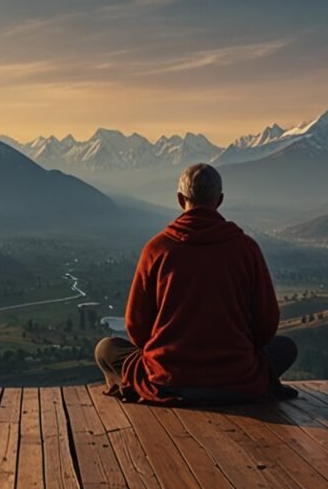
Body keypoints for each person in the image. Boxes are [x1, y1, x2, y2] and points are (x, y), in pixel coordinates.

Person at [95, 163, 298, 405]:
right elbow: (266, 325)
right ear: (220, 200)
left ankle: (131, 391)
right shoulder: (246, 249)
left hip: (167, 379)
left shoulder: (157, 249)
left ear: (181, 200)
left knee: (105, 349)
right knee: (285, 348)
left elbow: (136, 327)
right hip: (237, 379)